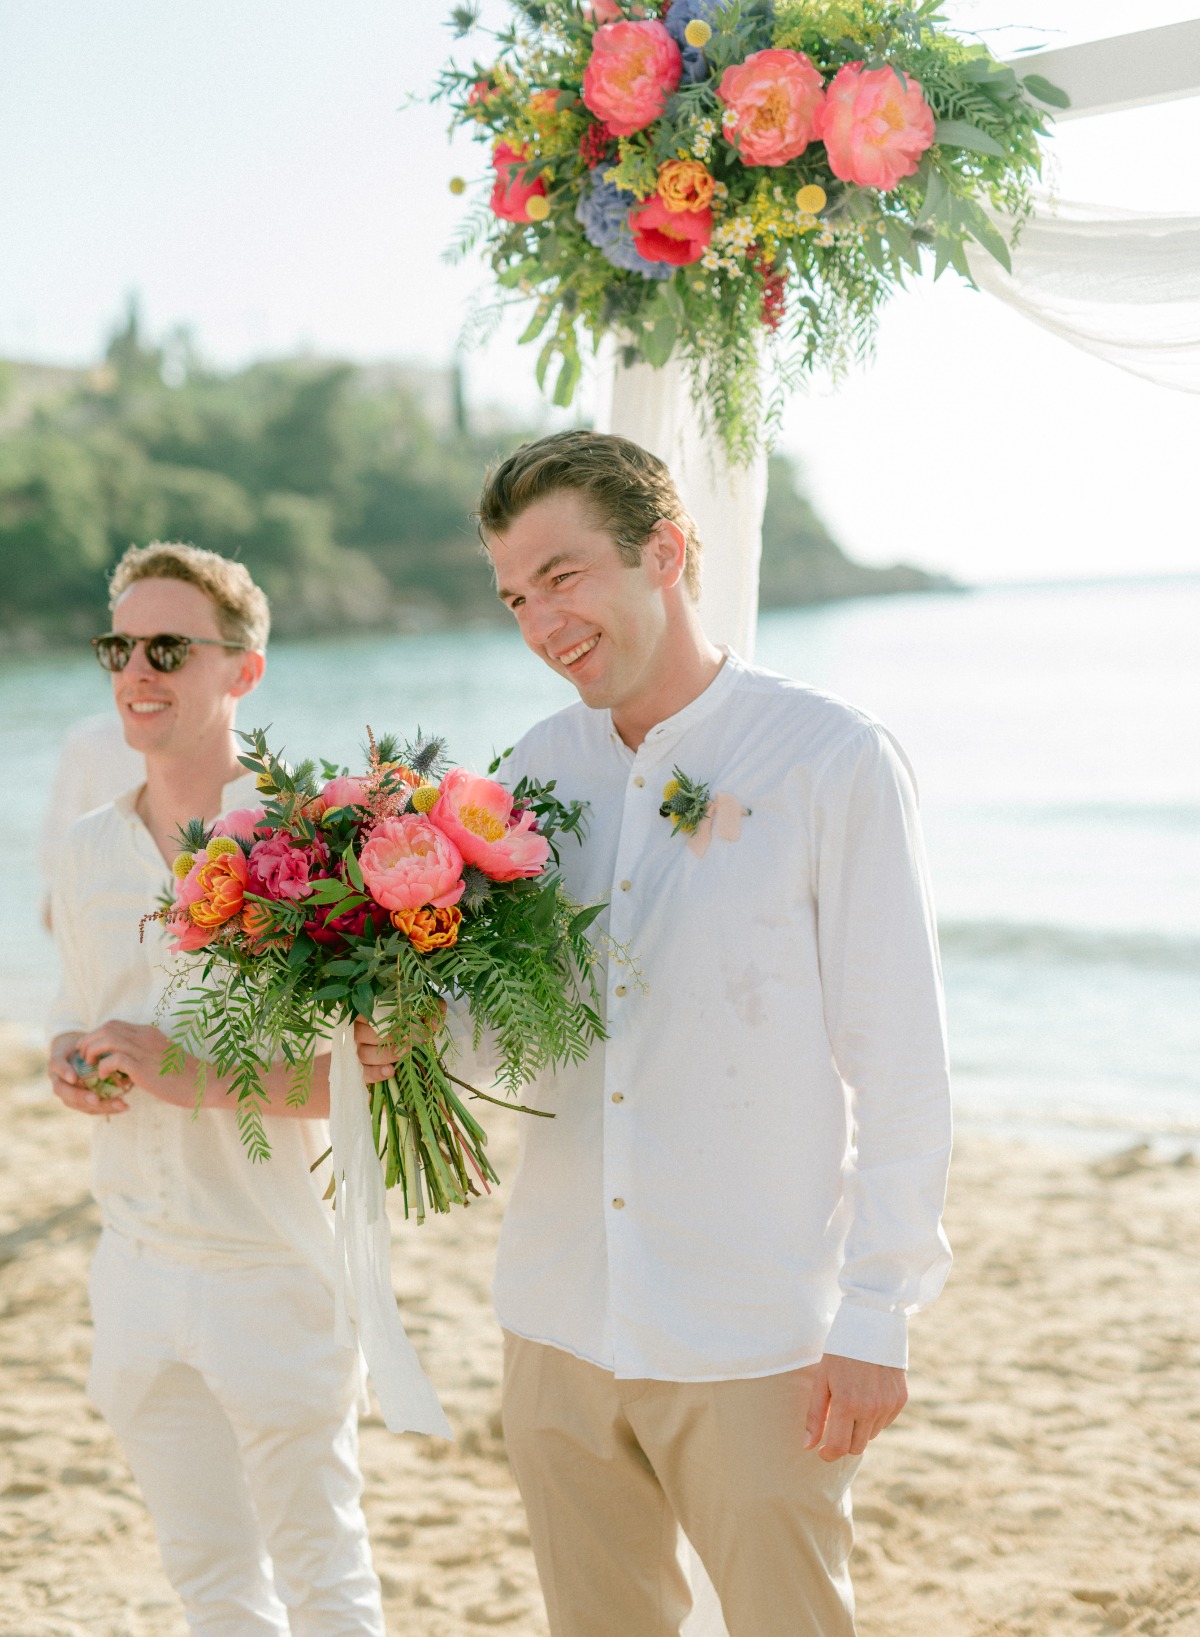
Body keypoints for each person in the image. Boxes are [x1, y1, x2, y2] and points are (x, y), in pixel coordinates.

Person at [358, 430, 954, 1637]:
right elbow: (500, 1038)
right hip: (557, 1321)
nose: (540, 620)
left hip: (752, 1333)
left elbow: (900, 1059)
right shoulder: (529, 774)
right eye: (516, 594)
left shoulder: (831, 757)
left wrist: (879, 1311)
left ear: (665, 551)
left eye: (563, 576)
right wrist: (409, 1032)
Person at [48, 542, 386, 1637]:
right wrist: (72, 1057)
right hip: (134, 1266)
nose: (136, 670)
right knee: (213, 1592)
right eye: (119, 646)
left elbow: (366, 1080)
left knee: (326, 1583)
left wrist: (182, 1072)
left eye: (167, 647)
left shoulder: (311, 845)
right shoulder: (86, 847)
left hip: (269, 1269)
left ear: (242, 671)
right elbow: (90, 1007)